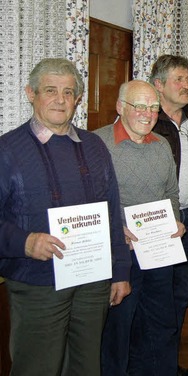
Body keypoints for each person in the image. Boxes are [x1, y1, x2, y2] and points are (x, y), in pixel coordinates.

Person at [0, 58, 131, 375]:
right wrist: (25, 241)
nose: (60, 99)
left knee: (86, 367)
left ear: (78, 99)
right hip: (38, 283)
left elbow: (111, 211)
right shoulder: (7, 150)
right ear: (31, 94)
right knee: (37, 368)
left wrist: (120, 270)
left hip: (92, 282)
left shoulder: (95, 146)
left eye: (68, 92)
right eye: (50, 90)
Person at [96, 80, 186, 376]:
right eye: (140, 106)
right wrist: (114, 229)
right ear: (121, 107)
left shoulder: (161, 146)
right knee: (118, 330)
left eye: (154, 107)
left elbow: (171, 194)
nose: (148, 114)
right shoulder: (97, 145)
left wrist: (175, 221)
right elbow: (88, 201)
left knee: (161, 325)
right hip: (119, 255)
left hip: (159, 252)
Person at [150, 54, 188, 376]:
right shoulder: (149, 121)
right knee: (159, 299)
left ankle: (168, 365)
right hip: (161, 221)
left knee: (181, 296)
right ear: (159, 85)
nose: (186, 85)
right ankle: (156, 367)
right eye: (179, 79)